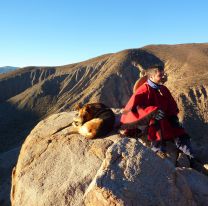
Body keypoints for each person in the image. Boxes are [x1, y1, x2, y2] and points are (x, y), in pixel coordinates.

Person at [120, 64, 194, 161]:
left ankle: (191, 156)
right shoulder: (143, 91)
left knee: (180, 131)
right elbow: (132, 109)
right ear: (151, 76)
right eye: (160, 75)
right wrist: (152, 111)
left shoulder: (163, 89)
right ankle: (158, 151)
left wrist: (173, 116)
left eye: (163, 74)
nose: (163, 77)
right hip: (149, 122)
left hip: (165, 118)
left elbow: (171, 104)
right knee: (157, 124)